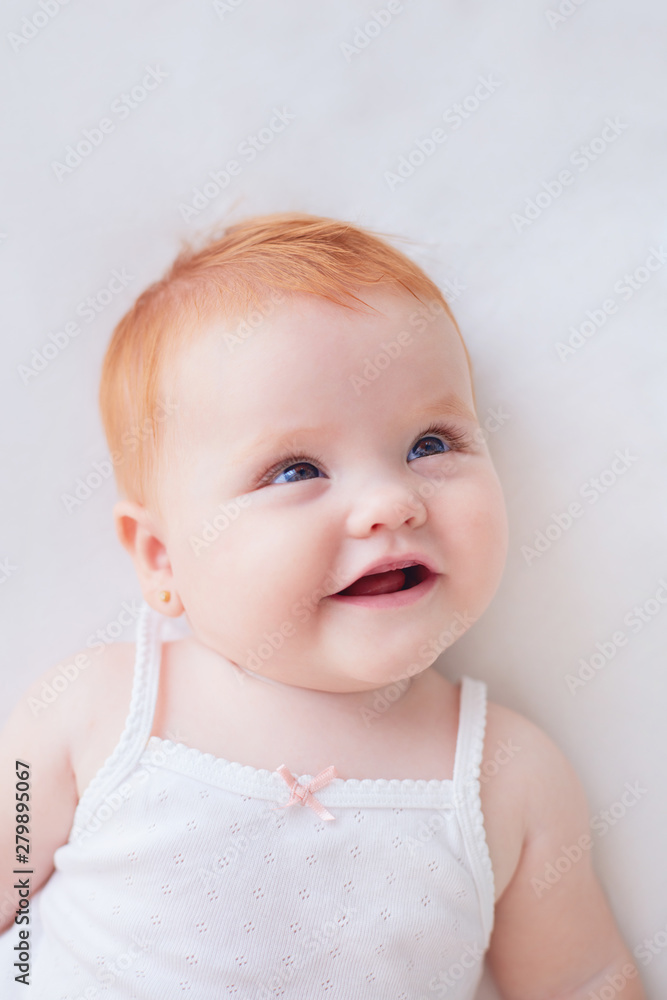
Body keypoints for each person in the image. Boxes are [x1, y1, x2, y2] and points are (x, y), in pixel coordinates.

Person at [0, 213, 645, 998]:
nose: (389, 501)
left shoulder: (505, 778)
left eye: (430, 445)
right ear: (163, 558)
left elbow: (584, 981)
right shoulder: (97, 712)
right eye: (295, 469)